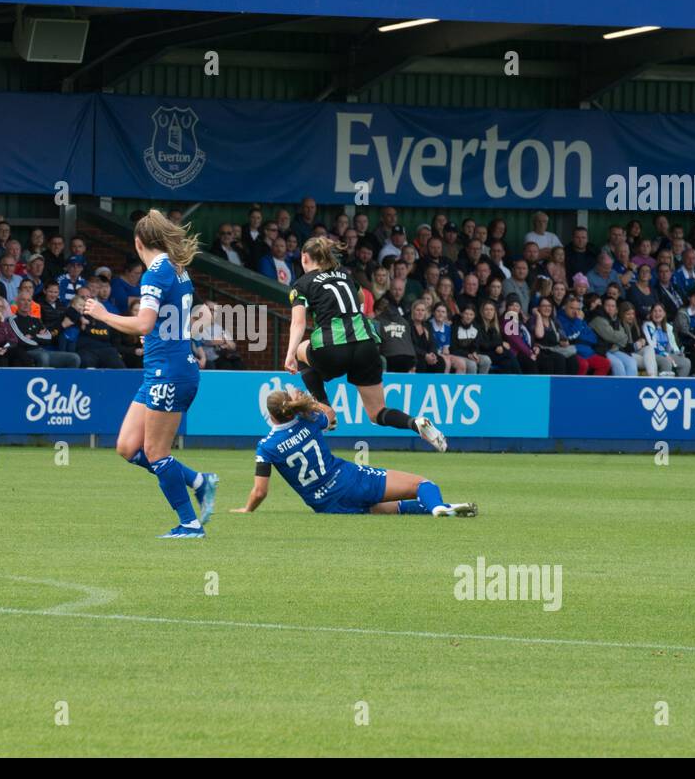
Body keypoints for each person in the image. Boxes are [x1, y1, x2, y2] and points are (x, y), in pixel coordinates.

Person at [81, 210, 218, 539]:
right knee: (127, 447)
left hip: (169, 372)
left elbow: (142, 323)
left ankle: (190, 524)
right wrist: (162, 333)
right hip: (162, 370)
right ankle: (199, 481)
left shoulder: (156, 273)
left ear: (138, 242)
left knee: (157, 453)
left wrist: (103, 313)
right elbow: (195, 314)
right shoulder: (177, 268)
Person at [284, 236, 446, 449]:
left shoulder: (301, 284)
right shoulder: (344, 275)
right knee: (377, 412)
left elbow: (298, 323)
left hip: (332, 348)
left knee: (300, 351)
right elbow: (361, 298)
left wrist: (289, 354)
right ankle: (415, 423)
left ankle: (325, 408)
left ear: (305, 258)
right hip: (366, 347)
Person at [231, 389, 476, 518]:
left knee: (393, 508)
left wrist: (247, 509)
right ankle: (437, 508)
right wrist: (308, 401)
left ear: (270, 415)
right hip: (348, 479)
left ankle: (444, 507)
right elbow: (330, 413)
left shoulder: (267, 446)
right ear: (291, 408)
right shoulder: (310, 421)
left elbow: (260, 491)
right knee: (423, 484)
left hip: (326, 504)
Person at [642, 303, 691, 377]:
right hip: (654, 354)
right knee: (666, 362)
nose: (657, 313)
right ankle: (664, 386)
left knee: (686, 362)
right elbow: (651, 345)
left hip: (667, 354)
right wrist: (665, 354)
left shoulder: (668, 327)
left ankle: (678, 386)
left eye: (660, 311)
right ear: (651, 314)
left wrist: (678, 352)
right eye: (655, 311)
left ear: (664, 313)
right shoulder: (647, 325)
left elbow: (673, 344)